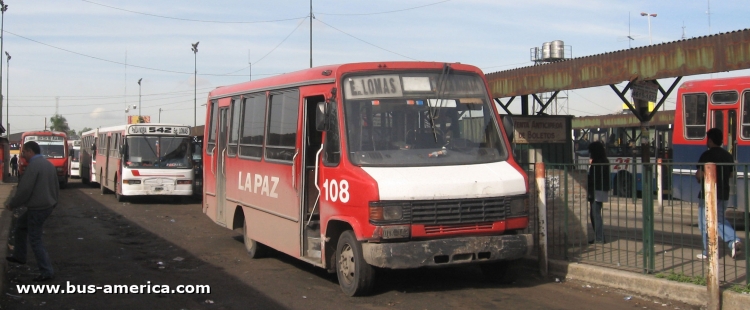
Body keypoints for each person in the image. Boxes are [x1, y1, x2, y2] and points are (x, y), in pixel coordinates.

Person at [5, 141, 60, 282]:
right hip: (46, 205)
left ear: (30, 151)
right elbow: (56, 187)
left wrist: (13, 204)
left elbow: (25, 190)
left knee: (35, 240)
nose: (22, 155)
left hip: (37, 207)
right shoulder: (48, 165)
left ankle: (47, 271)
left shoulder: (34, 166)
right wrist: (54, 202)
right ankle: (19, 255)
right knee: (20, 226)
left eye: (24, 152)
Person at [695, 128, 741, 260]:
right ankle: (733, 242)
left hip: (708, 194)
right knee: (719, 219)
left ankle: (708, 251)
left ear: (709, 140)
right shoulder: (728, 155)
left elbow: (700, 173)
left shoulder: (706, 155)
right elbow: (731, 174)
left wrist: (699, 177)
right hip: (724, 193)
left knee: (704, 223)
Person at [587, 141, 610, 244]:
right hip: (601, 189)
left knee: (595, 214)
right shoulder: (604, 161)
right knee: (594, 213)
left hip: (597, 189)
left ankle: (599, 237)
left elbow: (593, 177)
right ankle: (598, 236)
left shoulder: (597, 162)